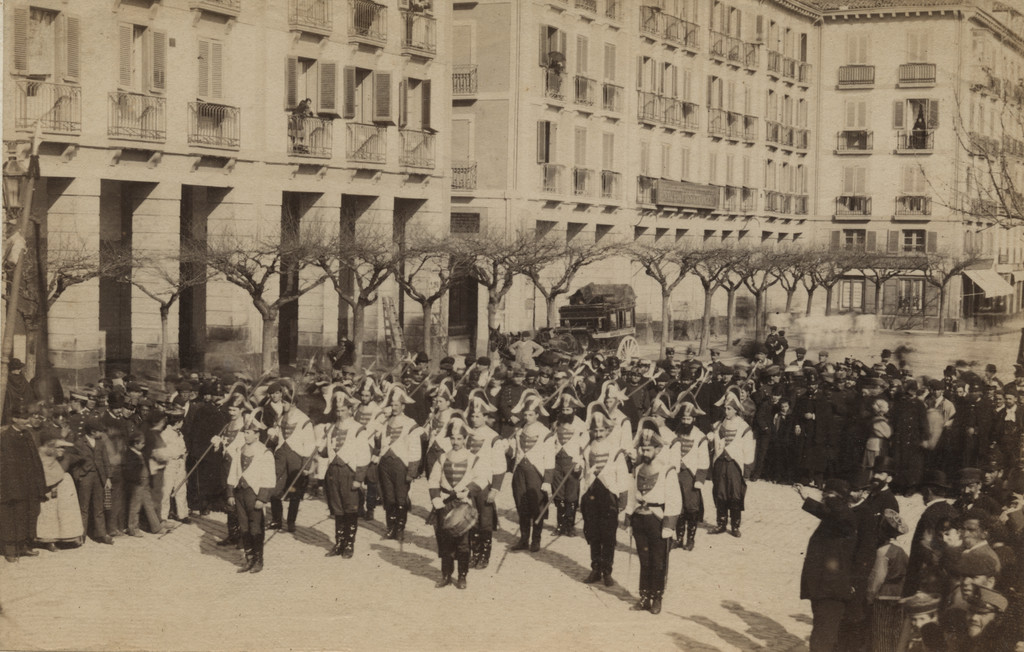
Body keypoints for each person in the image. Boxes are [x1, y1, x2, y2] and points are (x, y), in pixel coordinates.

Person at [796, 479, 858, 652]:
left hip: (832, 590)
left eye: (827, 496)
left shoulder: (845, 519)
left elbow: (838, 513)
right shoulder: (834, 519)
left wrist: (831, 498)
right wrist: (807, 499)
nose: (824, 499)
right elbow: (827, 513)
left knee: (823, 638)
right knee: (822, 634)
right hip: (822, 588)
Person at [623, 443, 681, 615]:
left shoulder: (667, 470)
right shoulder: (638, 468)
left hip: (657, 519)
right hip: (640, 518)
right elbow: (632, 495)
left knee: (658, 561)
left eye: (648, 449)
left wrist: (669, 526)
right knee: (644, 560)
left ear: (657, 450)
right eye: (643, 449)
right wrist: (628, 519)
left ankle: (657, 597)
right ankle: (644, 596)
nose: (644, 452)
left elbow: (674, 499)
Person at [428, 418, 482, 589]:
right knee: (445, 540)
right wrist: (436, 498)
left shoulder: (472, 458)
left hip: (463, 503)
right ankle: (446, 575)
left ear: (465, 439)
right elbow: (433, 479)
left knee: (463, 542)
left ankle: (462, 576)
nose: (456, 442)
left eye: (459, 438)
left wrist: (467, 490)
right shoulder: (443, 458)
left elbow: (482, 478)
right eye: (453, 438)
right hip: (445, 503)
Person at [579, 406, 629, 586]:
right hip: (591, 494)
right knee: (593, 533)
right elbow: (583, 474)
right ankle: (595, 568)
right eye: (596, 430)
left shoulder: (616, 451)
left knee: (608, 535)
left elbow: (622, 475)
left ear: (608, 430)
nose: (598, 434)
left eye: (602, 430)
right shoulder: (586, 449)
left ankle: (607, 570)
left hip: (609, 495)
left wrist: (623, 498)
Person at [318, 390, 370, 558]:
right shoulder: (331, 427)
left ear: (350, 410)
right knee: (337, 508)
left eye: (343, 410)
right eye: (337, 410)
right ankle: (339, 543)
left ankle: (349, 544)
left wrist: (359, 479)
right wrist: (320, 447)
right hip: (333, 472)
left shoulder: (358, 429)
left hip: (349, 472)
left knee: (350, 508)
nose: (340, 413)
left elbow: (363, 456)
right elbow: (326, 452)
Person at [264, 383, 317, 533]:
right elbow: (277, 439)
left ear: (293, 404)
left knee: (294, 491)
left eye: (285, 402)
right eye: (282, 402)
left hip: (296, 457)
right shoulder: (281, 417)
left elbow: (310, 444)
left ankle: (291, 522)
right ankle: (276, 520)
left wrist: (306, 466)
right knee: (274, 488)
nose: (282, 404)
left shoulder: (304, 420)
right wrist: (272, 435)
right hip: (281, 456)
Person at [226, 422, 276, 574]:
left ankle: (258, 561)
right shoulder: (240, 450)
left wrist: (262, 498)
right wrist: (230, 493)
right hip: (240, 493)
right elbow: (233, 472)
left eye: (249, 433)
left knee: (256, 527)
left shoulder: (264, 453)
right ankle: (249, 559)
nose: (245, 435)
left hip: (254, 494)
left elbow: (268, 477)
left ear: (257, 435)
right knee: (244, 526)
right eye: (244, 432)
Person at [375, 385, 423, 541]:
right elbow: (378, 441)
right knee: (389, 497)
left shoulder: (410, 424)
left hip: (401, 464)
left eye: (397, 405)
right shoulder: (385, 422)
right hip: (385, 463)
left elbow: (415, 449)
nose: (394, 408)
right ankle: (391, 527)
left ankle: (400, 528)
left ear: (403, 406)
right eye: (392, 404)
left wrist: (412, 471)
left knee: (400, 497)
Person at [508, 391, 554, 552]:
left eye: (530, 414)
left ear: (537, 415)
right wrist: (505, 446)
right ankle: (524, 539)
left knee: (537, 507)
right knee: (522, 506)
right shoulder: (519, 430)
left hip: (536, 472)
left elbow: (549, 457)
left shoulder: (545, 433)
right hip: (519, 471)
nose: (527, 417)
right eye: (525, 414)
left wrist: (548, 480)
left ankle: (536, 540)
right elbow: (513, 451)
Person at [465, 390, 504, 569]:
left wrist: (495, 489)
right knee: (471, 521)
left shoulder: (493, 437)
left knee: (485, 522)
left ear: (485, 416)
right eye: (472, 415)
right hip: (469, 484)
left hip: (485, 484)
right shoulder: (467, 434)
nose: (474, 419)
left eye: (478, 416)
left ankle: (485, 556)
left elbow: (499, 465)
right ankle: (474, 553)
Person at [1, 412, 47, 560]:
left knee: (25, 516)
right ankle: (10, 550)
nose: (27, 421)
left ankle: (23, 546)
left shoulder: (26, 435)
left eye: (27, 418)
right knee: (10, 517)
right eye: (24, 418)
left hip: (27, 485)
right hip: (11, 485)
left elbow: (35, 459)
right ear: (14, 419)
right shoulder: (5, 437)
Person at [665, 401, 710, 551]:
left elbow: (704, 460)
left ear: (694, 420)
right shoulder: (676, 433)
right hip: (676, 474)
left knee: (691, 508)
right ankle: (678, 538)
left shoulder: (700, 436)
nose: (685, 422)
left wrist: (699, 479)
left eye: (688, 419)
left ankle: (690, 539)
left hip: (690, 475)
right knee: (678, 507)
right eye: (683, 419)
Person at [708, 394, 755, 537]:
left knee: (735, 494)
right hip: (720, 463)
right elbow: (713, 442)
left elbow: (748, 450)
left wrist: (747, 471)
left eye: (729, 409)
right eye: (725, 408)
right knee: (720, 493)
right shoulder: (719, 425)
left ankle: (735, 525)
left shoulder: (744, 427)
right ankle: (721, 523)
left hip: (734, 465)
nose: (726, 411)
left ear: (736, 410)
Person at [865, 509, 909, 652]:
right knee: (896, 633)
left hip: (883, 596)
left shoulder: (883, 551)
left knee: (881, 634)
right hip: (900, 595)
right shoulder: (902, 549)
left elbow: (877, 578)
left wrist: (869, 597)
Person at [35, 431, 84, 549]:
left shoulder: (60, 456)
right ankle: (49, 540)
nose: (62, 450)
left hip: (62, 486)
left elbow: (79, 453)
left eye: (63, 447)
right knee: (49, 514)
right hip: (48, 488)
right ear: (51, 446)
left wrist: (64, 440)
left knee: (64, 512)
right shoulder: (42, 456)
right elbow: (45, 474)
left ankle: (67, 537)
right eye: (59, 447)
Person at [69, 417, 113, 544]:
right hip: (86, 477)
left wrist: (108, 478)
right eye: (99, 431)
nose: (101, 433)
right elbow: (73, 461)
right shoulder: (79, 443)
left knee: (99, 507)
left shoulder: (100, 443)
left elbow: (106, 461)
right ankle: (80, 535)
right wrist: (78, 475)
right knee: (84, 507)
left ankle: (101, 534)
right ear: (92, 431)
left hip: (99, 478)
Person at [548, 392, 586, 537]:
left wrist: (579, 461)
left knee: (571, 495)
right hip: (557, 461)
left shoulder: (581, 425)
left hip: (572, 461)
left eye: (568, 410)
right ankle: (560, 525)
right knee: (559, 494)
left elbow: (584, 446)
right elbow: (552, 442)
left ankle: (569, 526)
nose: (565, 412)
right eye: (563, 410)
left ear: (574, 410)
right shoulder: (555, 423)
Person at [123, 434, 165, 536]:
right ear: (135, 444)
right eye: (142, 443)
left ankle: (156, 527)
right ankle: (133, 529)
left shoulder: (140, 453)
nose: (144, 445)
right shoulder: (129, 455)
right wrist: (137, 480)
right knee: (135, 507)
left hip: (144, 483)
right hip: (137, 484)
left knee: (149, 505)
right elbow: (128, 472)